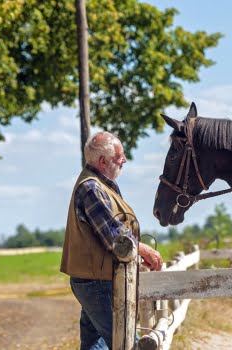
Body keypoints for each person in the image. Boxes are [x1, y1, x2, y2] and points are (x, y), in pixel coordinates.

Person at [61, 131, 163, 350]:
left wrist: (135, 257)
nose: (124, 160)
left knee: (94, 344)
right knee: (125, 341)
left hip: (95, 279)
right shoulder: (92, 188)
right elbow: (115, 237)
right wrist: (144, 250)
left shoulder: (101, 185)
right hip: (96, 282)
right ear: (103, 161)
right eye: (119, 155)